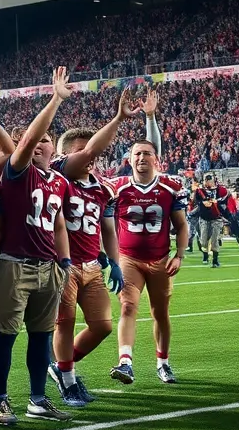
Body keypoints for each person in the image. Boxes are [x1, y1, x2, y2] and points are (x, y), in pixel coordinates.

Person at [0, 67, 72, 425]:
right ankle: (1, 400)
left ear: (54, 146)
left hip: (48, 266)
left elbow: (60, 223)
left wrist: (63, 262)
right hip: (15, 263)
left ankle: (37, 398)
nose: (39, 143)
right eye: (34, 140)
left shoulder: (60, 181)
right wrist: (55, 99)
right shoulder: (19, 171)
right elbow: (27, 140)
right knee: (6, 334)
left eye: (46, 139)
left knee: (42, 335)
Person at [47, 88, 142, 406]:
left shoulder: (103, 188)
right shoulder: (59, 175)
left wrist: (113, 261)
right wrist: (118, 118)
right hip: (63, 263)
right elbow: (87, 155)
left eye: (91, 152)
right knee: (65, 322)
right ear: (64, 155)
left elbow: (108, 228)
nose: (89, 157)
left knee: (101, 325)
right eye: (82, 152)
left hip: (91, 264)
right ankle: (69, 380)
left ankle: (60, 367)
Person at [107, 139, 188, 385]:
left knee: (160, 313)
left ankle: (163, 362)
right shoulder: (116, 188)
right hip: (128, 258)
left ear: (156, 159)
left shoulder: (170, 187)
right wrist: (112, 259)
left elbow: (182, 224)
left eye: (147, 153)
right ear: (129, 160)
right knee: (128, 306)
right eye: (137, 153)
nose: (142, 157)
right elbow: (106, 226)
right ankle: (125, 362)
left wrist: (180, 255)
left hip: (161, 258)